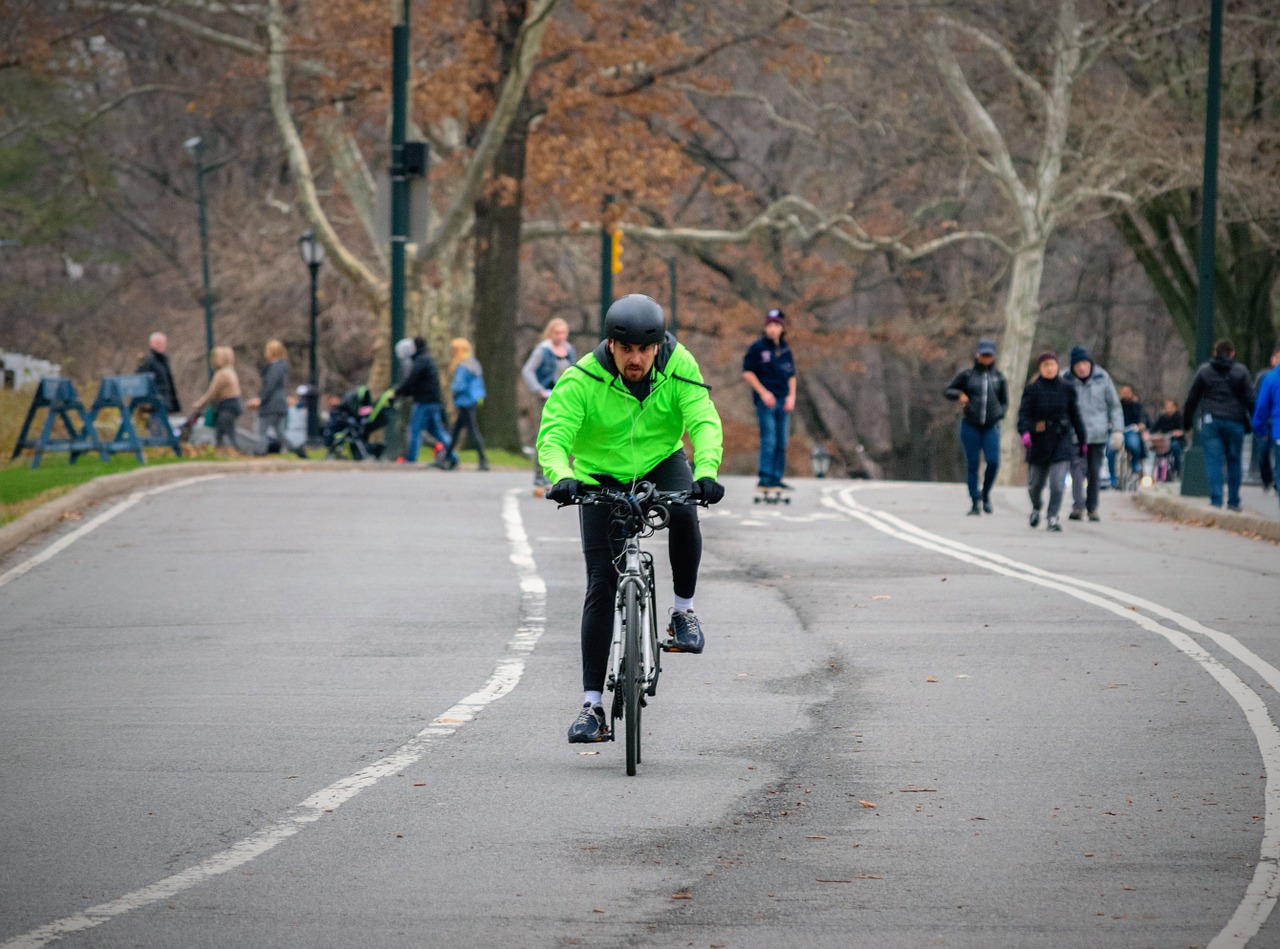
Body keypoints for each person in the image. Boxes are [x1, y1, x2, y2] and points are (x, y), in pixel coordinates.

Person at [537, 294, 724, 744]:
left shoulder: (680, 364)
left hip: (661, 459)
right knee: (601, 583)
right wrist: (562, 476)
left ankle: (683, 613)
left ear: (658, 346)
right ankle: (592, 706)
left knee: (684, 511)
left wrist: (707, 471)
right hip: (599, 473)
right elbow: (555, 430)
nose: (636, 359)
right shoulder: (582, 377)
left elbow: (702, 419)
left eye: (645, 350)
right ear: (611, 345)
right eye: (626, 350)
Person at [1017, 352, 1087, 532]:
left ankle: (1052, 516)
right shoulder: (1032, 390)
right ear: (1040, 369)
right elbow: (1024, 414)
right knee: (1034, 485)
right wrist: (1026, 432)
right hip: (1038, 442)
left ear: (1057, 367)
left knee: (1057, 483)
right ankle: (1036, 507)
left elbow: (1076, 416)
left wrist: (1082, 439)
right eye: (1045, 365)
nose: (1049, 368)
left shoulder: (1067, 389)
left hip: (1061, 441)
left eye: (1052, 365)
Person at [1184, 338, 1255, 511]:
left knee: (1213, 461)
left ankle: (1216, 500)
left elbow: (1192, 399)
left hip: (1211, 420)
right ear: (1232, 353)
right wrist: (1257, 422)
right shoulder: (1241, 372)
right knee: (1234, 460)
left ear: (1214, 353)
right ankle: (1233, 501)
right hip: (1235, 421)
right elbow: (1251, 400)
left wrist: (1187, 423)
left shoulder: (1204, 371)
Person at [943, 338, 1008, 515]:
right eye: (983, 354)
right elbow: (948, 390)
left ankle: (985, 493)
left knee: (993, 462)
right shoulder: (967, 375)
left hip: (990, 426)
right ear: (977, 355)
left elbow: (1005, 402)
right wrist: (960, 394)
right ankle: (974, 501)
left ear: (993, 356)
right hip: (970, 425)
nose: (986, 358)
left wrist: (999, 414)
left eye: (989, 355)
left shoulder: (998, 378)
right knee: (972, 463)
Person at [1064, 346, 1123, 522]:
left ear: (1090, 364)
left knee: (1094, 472)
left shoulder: (1103, 378)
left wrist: (1117, 430)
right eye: (1078, 365)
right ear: (1073, 367)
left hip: (1097, 434)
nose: (1082, 368)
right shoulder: (1065, 380)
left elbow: (1114, 406)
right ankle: (1078, 506)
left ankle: (1092, 508)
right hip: (1074, 434)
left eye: (1084, 363)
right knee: (1076, 470)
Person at [742, 307, 797, 489]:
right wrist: (763, 392)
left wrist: (791, 396)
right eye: (770, 325)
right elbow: (748, 373)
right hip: (767, 401)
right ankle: (765, 477)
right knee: (769, 439)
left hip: (783, 400)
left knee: (782, 441)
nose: (773, 329)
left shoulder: (785, 349)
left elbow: (791, 376)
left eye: (776, 325)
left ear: (782, 328)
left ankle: (776, 477)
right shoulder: (757, 348)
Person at [522, 317, 577, 487]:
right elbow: (528, 370)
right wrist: (538, 389)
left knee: (568, 433)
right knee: (544, 434)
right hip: (545, 398)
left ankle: (565, 473)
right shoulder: (543, 350)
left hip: (565, 397)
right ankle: (540, 473)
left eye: (563, 333)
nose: (561, 336)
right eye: (557, 332)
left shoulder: (569, 350)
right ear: (550, 333)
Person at [394, 336, 452, 466]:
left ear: (415, 347)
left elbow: (411, 380)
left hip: (423, 402)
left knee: (414, 430)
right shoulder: (428, 359)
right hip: (434, 401)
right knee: (437, 431)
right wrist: (405, 392)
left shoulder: (421, 361)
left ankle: (411, 459)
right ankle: (452, 456)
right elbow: (417, 383)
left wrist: (398, 392)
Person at [247, 339, 304, 458]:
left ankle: (260, 451)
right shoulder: (283, 366)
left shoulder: (275, 366)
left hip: (271, 404)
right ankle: (298, 449)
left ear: (272, 351)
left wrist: (262, 400)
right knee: (280, 434)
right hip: (280, 403)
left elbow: (269, 386)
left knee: (262, 430)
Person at [441, 337, 489, 471]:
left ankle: (483, 460)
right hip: (473, 400)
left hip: (464, 401)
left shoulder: (462, 365)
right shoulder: (473, 363)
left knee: (473, 431)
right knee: (456, 431)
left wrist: (453, 390)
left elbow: (459, 385)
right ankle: (447, 458)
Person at [191, 345, 243, 451]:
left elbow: (212, 393)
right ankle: (230, 450)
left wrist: (200, 403)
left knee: (222, 431)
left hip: (227, 406)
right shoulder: (230, 371)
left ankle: (226, 450)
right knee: (228, 430)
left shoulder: (221, 374)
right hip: (234, 405)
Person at [137, 331, 181, 440]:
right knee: (156, 429)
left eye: (163, 343)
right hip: (153, 402)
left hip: (164, 400)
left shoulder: (163, 361)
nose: (162, 345)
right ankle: (158, 446)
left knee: (164, 428)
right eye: (159, 343)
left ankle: (165, 446)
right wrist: (145, 401)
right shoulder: (148, 361)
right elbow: (141, 380)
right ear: (152, 344)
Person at [1107, 385, 1151, 487]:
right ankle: (1112, 477)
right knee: (1110, 451)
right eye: (1123, 392)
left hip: (1131, 430)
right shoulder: (1115, 406)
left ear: (1131, 393)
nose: (1125, 394)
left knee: (1134, 444)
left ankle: (1135, 464)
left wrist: (1141, 424)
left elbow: (1142, 417)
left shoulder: (1137, 406)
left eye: (1127, 392)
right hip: (1117, 431)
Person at [1252, 356, 1280, 511]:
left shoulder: (1272, 378)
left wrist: (1258, 426)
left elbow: (1261, 405)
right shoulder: (1268, 377)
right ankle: (1269, 481)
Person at [1149, 398, 1186, 478]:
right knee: (1157, 449)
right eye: (1166, 407)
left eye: (1169, 407)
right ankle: (1157, 471)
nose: (1167, 409)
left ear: (1174, 407)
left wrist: (1179, 432)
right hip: (1164, 440)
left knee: (1175, 447)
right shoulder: (1162, 417)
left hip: (1176, 440)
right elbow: (1155, 427)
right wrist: (1149, 433)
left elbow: (1183, 428)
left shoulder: (1179, 417)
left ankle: (1177, 469)